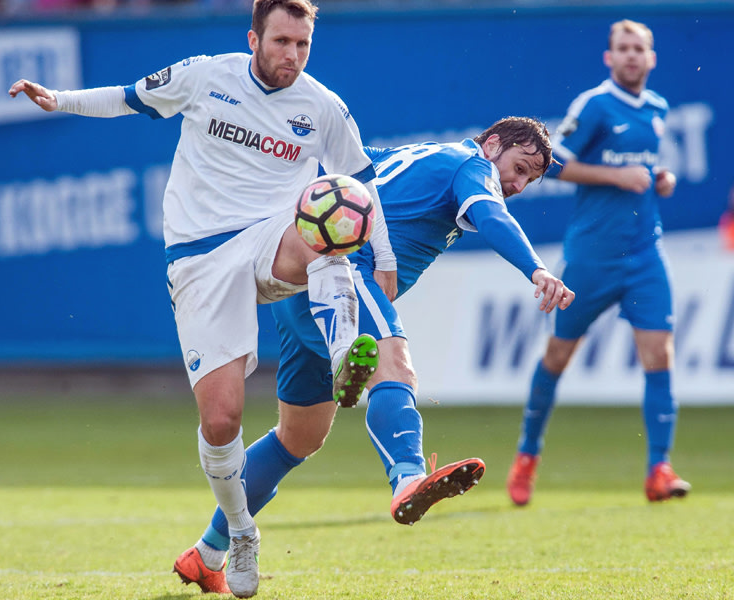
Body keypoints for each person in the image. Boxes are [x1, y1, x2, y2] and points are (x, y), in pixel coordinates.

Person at [9, 1, 397, 597]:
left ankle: (347, 350)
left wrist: (387, 261)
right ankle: (240, 533)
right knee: (221, 422)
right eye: (281, 42)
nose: (292, 55)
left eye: (303, 44)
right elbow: (129, 96)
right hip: (198, 255)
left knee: (326, 222)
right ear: (253, 38)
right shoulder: (206, 75)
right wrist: (59, 99)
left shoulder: (323, 107)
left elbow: (362, 188)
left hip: (272, 234)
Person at [171, 116, 576, 594]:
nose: (519, 183)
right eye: (519, 167)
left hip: (299, 286)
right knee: (395, 367)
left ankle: (209, 551)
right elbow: (492, 216)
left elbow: (341, 176)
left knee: (298, 438)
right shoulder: (472, 166)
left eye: (531, 177)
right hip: (344, 273)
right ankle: (407, 476)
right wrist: (537, 269)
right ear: (491, 144)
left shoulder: (424, 152)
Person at [507, 19, 690, 507]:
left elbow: (643, 170)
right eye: (623, 49)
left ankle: (659, 469)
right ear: (609, 58)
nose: (632, 56)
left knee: (660, 356)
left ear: (652, 58)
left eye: (640, 49)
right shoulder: (593, 105)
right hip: (591, 258)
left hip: (646, 254)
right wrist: (616, 176)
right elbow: (554, 162)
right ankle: (527, 456)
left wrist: (659, 177)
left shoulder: (657, 108)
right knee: (558, 357)